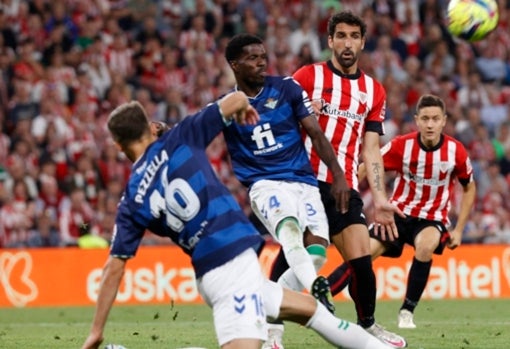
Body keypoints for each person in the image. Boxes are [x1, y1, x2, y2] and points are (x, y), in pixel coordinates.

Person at [80, 95, 394, 349]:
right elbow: (234, 99)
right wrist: (242, 108)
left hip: (219, 270)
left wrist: (96, 331)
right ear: (151, 128)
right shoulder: (181, 137)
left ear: (119, 146)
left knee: (314, 314)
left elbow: (114, 267)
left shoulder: (131, 197)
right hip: (230, 267)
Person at [270, 11, 407, 348]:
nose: (347, 43)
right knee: (295, 250)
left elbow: (372, 150)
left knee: (361, 260)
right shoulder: (307, 76)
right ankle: (270, 327)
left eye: (354, 37)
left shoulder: (373, 90)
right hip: (303, 182)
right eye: (341, 36)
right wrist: (300, 114)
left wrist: (382, 200)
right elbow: (274, 120)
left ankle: (368, 326)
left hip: (343, 186)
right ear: (329, 40)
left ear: (362, 42)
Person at [221, 33, 350, 320]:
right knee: (289, 230)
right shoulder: (227, 107)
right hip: (264, 184)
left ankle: (267, 315)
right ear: (234, 64)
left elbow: (316, 133)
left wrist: (338, 175)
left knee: (316, 254)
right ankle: (317, 286)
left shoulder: (287, 88)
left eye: (262, 57)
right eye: (252, 58)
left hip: (304, 182)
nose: (260, 63)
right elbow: (197, 131)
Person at [327, 94, 477, 329]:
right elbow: (369, 165)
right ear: (416, 120)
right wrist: (345, 189)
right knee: (361, 256)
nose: (430, 124)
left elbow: (469, 188)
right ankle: (323, 295)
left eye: (435, 119)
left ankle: (407, 311)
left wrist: (458, 229)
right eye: (425, 118)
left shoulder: (455, 152)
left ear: (444, 121)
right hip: (397, 215)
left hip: (432, 218)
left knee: (426, 246)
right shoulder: (401, 146)